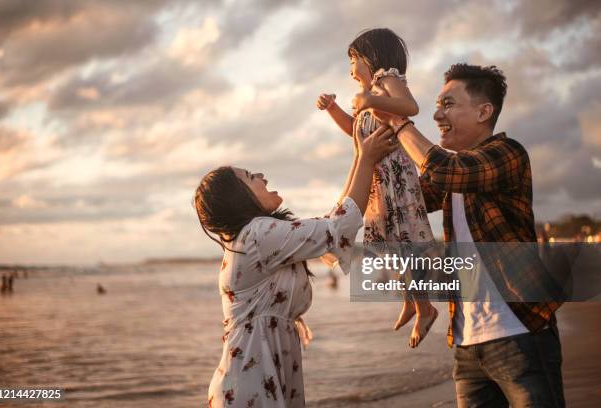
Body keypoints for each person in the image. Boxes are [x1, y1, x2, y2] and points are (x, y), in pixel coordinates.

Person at [386, 63, 565, 407]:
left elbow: (445, 168)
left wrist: (399, 121)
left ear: (485, 111)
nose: (437, 115)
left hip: (521, 335)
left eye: (448, 104)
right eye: (437, 105)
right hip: (467, 346)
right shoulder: (453, 174)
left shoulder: (508, 154)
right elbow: (404, 203)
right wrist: (373, 146)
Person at [195, 125, 397, 407]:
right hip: (250, 384)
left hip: (255, 375)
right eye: (252, 177)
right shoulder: (258, 235)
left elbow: (332, 222)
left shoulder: (256, 237)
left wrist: (359, 157)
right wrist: (365, 159)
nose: (262, 176)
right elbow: (338, 227)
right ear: (239, 198)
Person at [317, 28, 437, 347]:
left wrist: (371, 97)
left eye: (354, 60)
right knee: (386, 247)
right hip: (376, 185)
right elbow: (355, 131)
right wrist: (333, 109)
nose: (351, 70)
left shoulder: (387, 80)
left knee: (403, 242)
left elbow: (410, 107)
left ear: (373, 57)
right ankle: (412, 300)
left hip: (395, 180)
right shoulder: (369, 95)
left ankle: (425, 308)